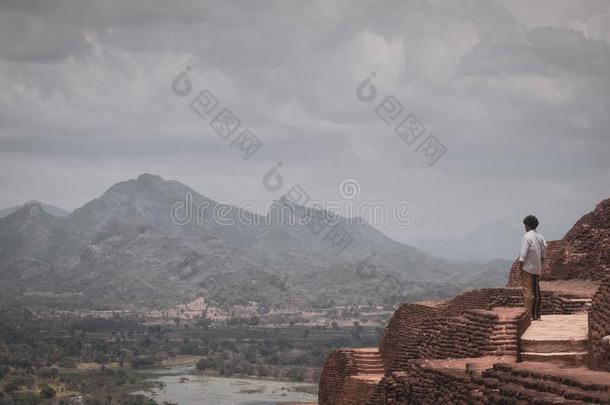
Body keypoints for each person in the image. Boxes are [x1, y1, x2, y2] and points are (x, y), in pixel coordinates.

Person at [518, 215, 546, 320]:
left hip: (528, 268)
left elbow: (523, 256)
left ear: (527, 225)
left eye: (525, 225)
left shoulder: (527, 237)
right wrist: (540, 266)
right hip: (537, 268)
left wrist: (520, 268)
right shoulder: (540, 237)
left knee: (527, 292)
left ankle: (528, 315)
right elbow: (543, 255)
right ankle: (536, 315)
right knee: (536, 292)